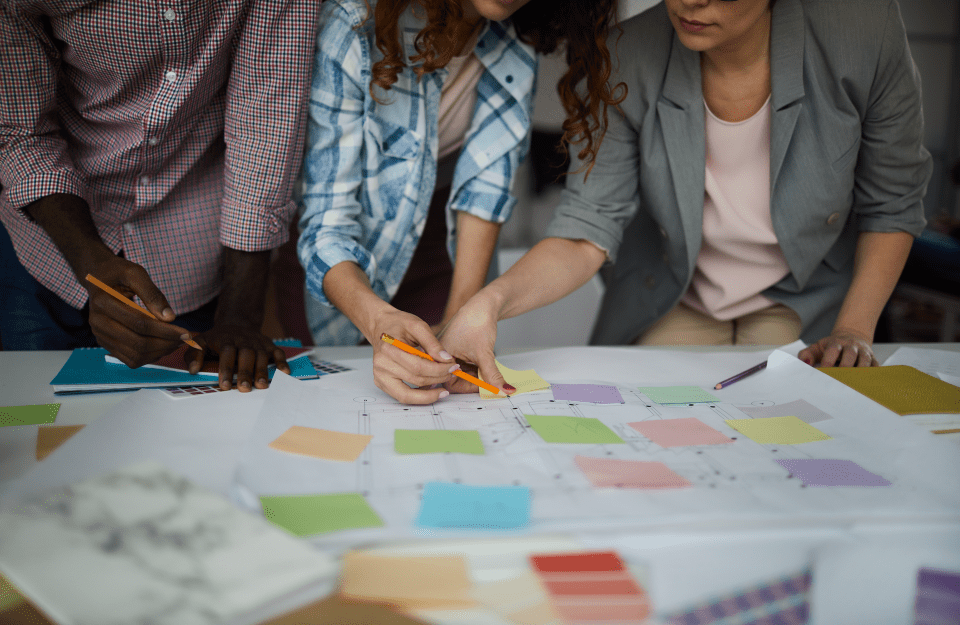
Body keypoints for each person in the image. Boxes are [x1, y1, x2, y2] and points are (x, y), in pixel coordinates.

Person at [439, 0, 932, 392]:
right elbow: (585, 229)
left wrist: (852, 329)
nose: (691, 2)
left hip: (808, 298)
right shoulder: (627, 54)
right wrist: (488, 303)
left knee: (789, 425)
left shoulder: (864, 31)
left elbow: (892, 203)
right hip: (673, 293)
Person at [298, 0, 623, 403]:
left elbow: (487, 190)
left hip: (441, 246)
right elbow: (326, 222)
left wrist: (459, 322)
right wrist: (378, 320)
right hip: (335, 272)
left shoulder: (515, 33)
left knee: (448, 398)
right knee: (338, 401)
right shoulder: (354, 22)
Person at [0, 0, 322, 391]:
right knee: (36, 427)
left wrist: (238, 316)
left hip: (192, 252)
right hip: (43, 253)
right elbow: (20, 130)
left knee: (181, 436)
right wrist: (90, 262)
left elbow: (266, 121)